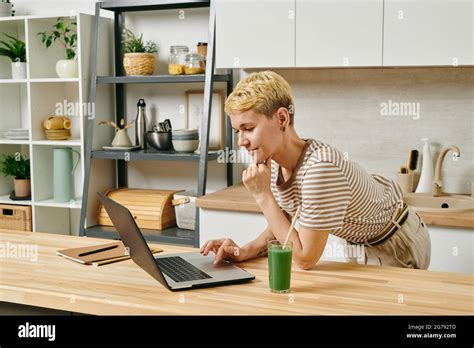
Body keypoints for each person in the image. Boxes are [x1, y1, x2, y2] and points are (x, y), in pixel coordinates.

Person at [200, 71, 431, 270]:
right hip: (357, 241)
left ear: (282, 118)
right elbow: (283, 228)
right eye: (237, 131)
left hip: (395, 241)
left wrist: (263, 196)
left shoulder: (320, 169)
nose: (241, 141)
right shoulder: (274, 161)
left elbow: (305, 258)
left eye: (248, 128)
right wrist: (242, 251)